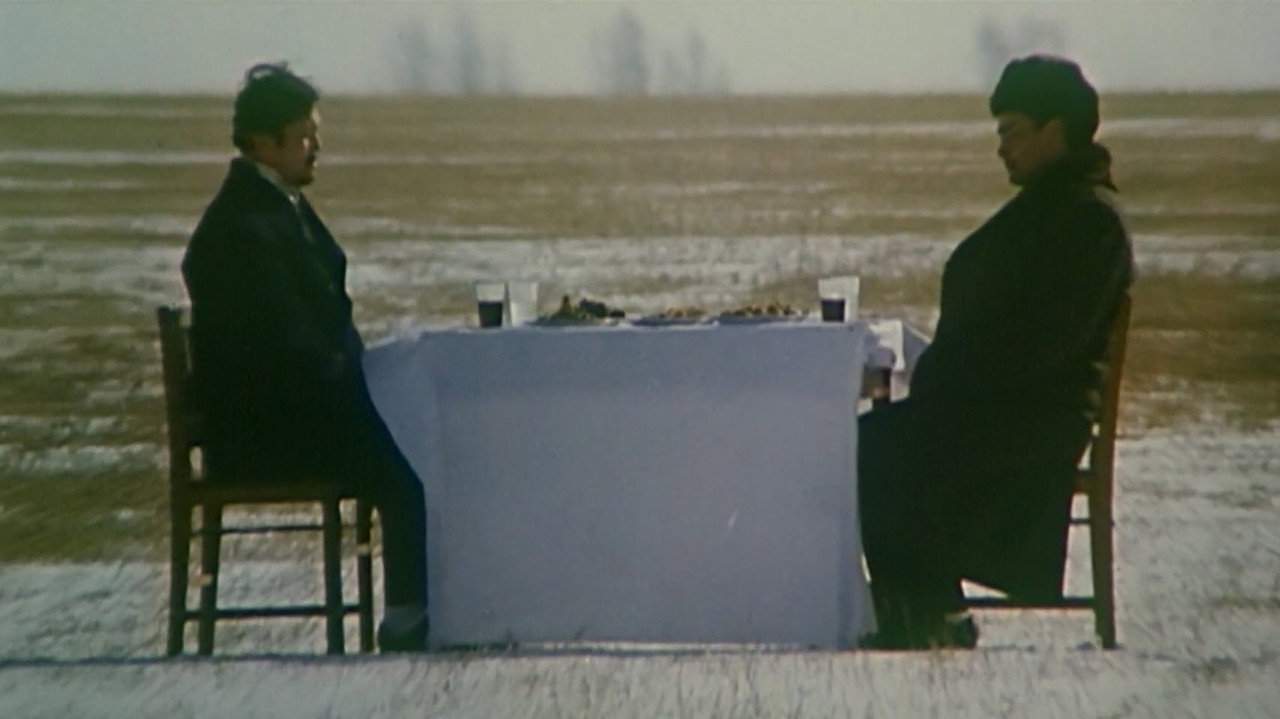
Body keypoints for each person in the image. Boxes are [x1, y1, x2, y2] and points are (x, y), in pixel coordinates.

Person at [857, 55, 1134, 649]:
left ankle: (925, 614)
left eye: (1012, 132)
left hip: (1029, 424)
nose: (1002, 148)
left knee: (876, 445)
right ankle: (926, 609)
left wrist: (950, 374)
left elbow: (1044, 345)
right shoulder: (1055, 206)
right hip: (993, 409)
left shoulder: (1089, 222)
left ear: (1054, 132)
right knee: (876, 437)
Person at [181, 63, 429, 652]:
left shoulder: (274, 208)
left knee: (416, 435)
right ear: (262, 142)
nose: (315, 148)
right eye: (303, 137)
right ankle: (409, 615)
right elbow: (286, 347)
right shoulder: (244, 227)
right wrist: (360, 390)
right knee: (415, 457)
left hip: (293, 415)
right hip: (266, 433)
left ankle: (417, 606)